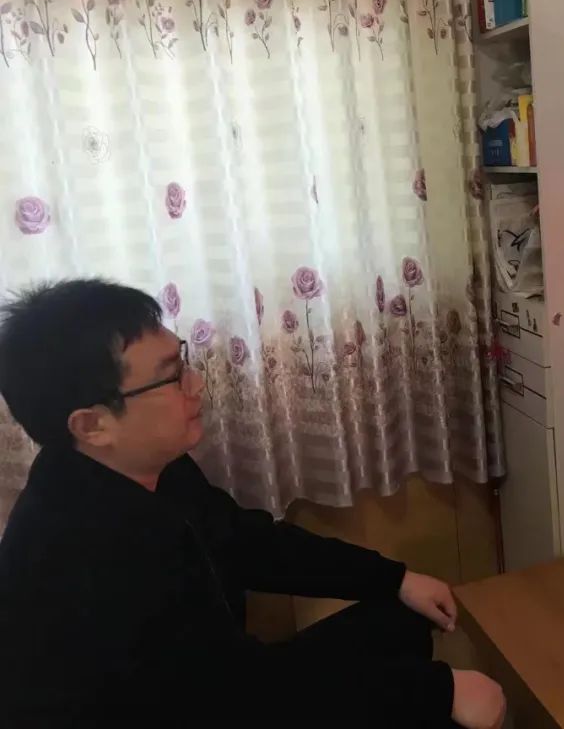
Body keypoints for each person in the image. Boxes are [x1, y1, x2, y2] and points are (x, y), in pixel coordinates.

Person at [0, 279, 506, 728]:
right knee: (442, 705)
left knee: (400, 619)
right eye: (172, 376)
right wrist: (439, 693)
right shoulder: (79, 555)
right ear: (92, 424)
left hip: (222, 685)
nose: (196, 384)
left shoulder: (145, 466)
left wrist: (394, 577)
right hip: (203, 708)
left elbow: (247, 541)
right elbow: (234, 699)